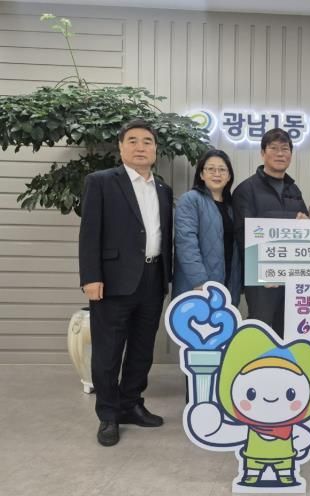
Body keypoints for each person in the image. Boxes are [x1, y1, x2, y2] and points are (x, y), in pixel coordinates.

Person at [79, 119, 173, 447]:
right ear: (121, 147)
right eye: (132, 141)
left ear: (155, 149)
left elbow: (163, 235)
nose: (140, 147)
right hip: (112, 281)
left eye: (147, 141)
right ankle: (108, 414)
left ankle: (131, 403)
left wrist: (167, 277)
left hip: (153, 278)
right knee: (108, 351)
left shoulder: (163, 189)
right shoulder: (102, 182)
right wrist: (91, 277)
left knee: (142, 350)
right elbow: (89, 233)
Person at [233, 128, 308, 337]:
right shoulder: (246, 189)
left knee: (290, 332)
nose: (280, 153)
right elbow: (244, 235)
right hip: (262, 281)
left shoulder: (294, 190)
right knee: (262, 332)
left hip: (293, 279)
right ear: (262, 153)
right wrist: (264, 271)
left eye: (285, 149)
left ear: (291, 154)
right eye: (273, 148)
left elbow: (306, 229)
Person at [173, 149, 241, 304]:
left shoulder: (232, 206)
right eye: (210, 169)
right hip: (198, 287)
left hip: (228, 285)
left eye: (222, 169)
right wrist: (200, 282)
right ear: (201, 174)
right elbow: (186, 244)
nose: (217, 174)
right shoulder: (190, 200)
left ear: (229, 176)